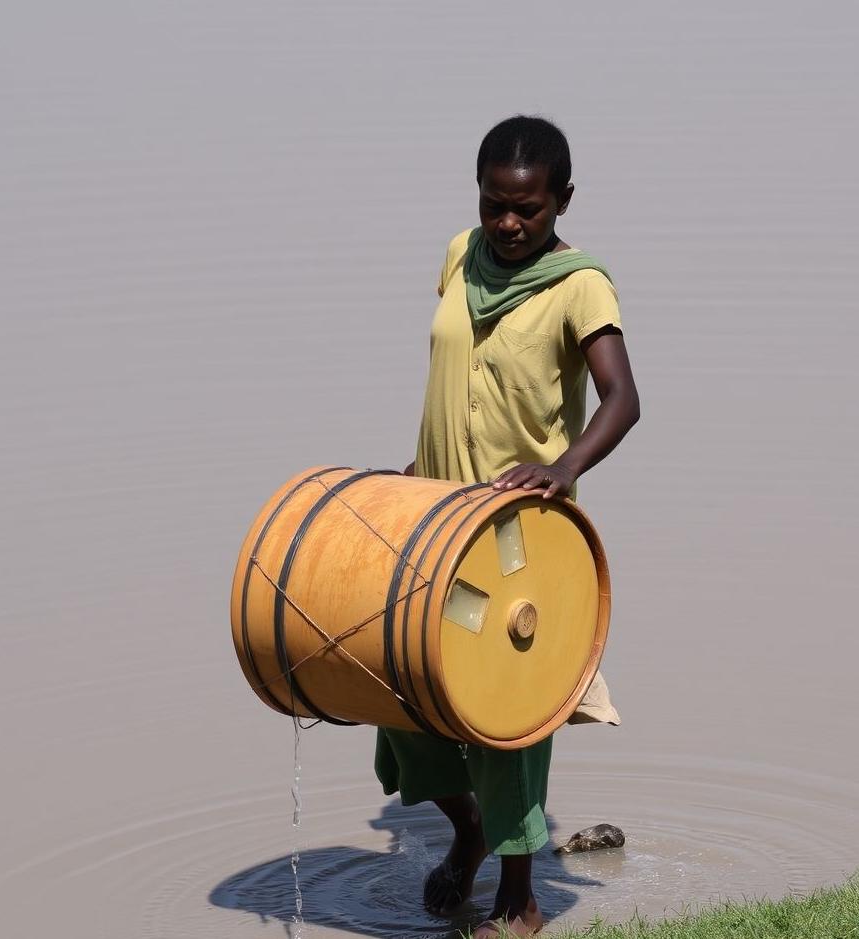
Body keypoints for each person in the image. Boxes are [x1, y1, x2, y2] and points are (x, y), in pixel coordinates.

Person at [375, 115, 640, 938]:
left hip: (514, 535)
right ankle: (469, 831)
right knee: (400, 693)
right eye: (494, 203)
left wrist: (563, 467)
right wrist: (415, 467)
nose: (508, 223)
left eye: (527, 207)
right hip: (433, 521)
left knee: (505, 710)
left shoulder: (579, 285)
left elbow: (622, 399)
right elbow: (457, 378)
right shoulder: (460, 255)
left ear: (562, 200)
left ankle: (519, 898)